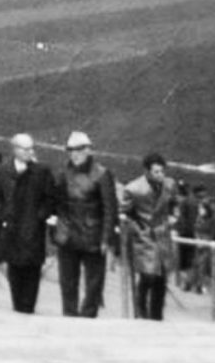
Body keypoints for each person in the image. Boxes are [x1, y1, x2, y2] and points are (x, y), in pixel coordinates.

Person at [52, 131, 117, 318]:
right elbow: (57, 200)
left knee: (94, 284)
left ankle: (88, 317)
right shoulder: (63, 172)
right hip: (68, 233)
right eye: (71, 150)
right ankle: (69, 316)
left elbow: (109, 209)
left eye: (79, 149)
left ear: (88, 150)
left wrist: (106, 238)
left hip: (93, 235)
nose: (74, 154)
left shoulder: (102, 174)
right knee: (67, 283)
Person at [0, 133, 55, 314]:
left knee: (32, 270)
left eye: (31, 148)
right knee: (15, 268)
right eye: (25, 149)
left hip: (33, 229)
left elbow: (50, 198)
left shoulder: (42, 172)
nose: (29, 152)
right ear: (15, 150)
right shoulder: (3, 171)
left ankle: (28, 307)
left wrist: (39, 216)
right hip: (12, 229)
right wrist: (4, 214)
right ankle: (18, 306)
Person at [121, 152, 178, 320]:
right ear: (147, 172)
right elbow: (125, 213)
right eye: (156, 172)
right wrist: (137, 228)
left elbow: (174, 203)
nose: (160, 175)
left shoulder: (169, 185)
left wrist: (173, 218)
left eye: (162, 171)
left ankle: (156, 315)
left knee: (161, 278)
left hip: (162, 234)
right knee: (147, 275)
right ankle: (141, 312)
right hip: (144, 237)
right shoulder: (133, 188)